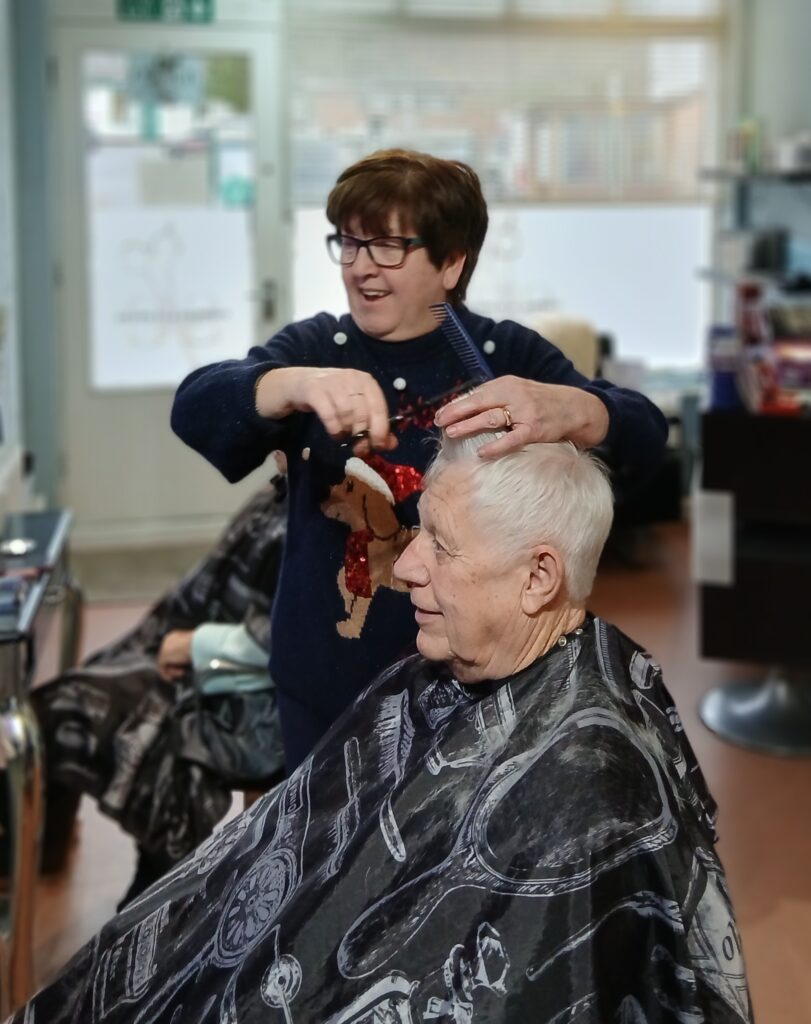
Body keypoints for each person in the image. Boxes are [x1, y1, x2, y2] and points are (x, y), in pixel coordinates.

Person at [13, 434, 751, 1023]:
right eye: (418, 533)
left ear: (538, 577)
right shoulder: (441, 667)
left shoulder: (588, 780)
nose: (408, 569)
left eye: (441, 544)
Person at [171, 147, 669, 772]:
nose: (360, 267)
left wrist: (572, 408)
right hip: (326, 685)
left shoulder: (502, 354)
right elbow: (194, 407)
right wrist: (290, 385)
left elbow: (648, 439)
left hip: (473, 696)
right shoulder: (318, 346)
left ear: (452, 262)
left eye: (387, 246)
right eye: (348, 243)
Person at [31, 469, 287, 906]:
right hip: (187, 644)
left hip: (232, 681)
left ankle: (153, 884)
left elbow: (284, 636)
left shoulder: (322, 512)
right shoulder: (280, 494)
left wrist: (193, 646)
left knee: (65, 713)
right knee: (60, 702)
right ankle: (47, 852)